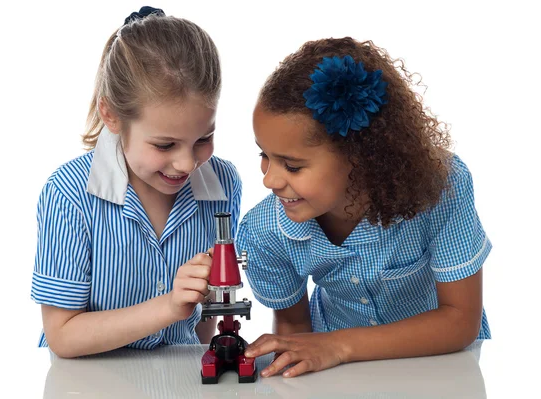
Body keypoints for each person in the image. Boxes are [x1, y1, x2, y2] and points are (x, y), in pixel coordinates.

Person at [235, 37, 491, 378]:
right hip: (336, 376)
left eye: (292, 166)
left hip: (441, 365)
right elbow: (295, 331)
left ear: (361, 155)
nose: (269, 180)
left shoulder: (442, 186)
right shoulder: (264, 231)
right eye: (263, 156)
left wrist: (338, 346)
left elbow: (460, 319)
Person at [30, 6, 241, 358]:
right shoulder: (68, 193)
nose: (188, 163)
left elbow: (204, 316)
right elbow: (62, 335)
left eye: (203, 138)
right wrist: (169, 307)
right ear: (111, 114)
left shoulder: (224, 183)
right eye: (165, 145)